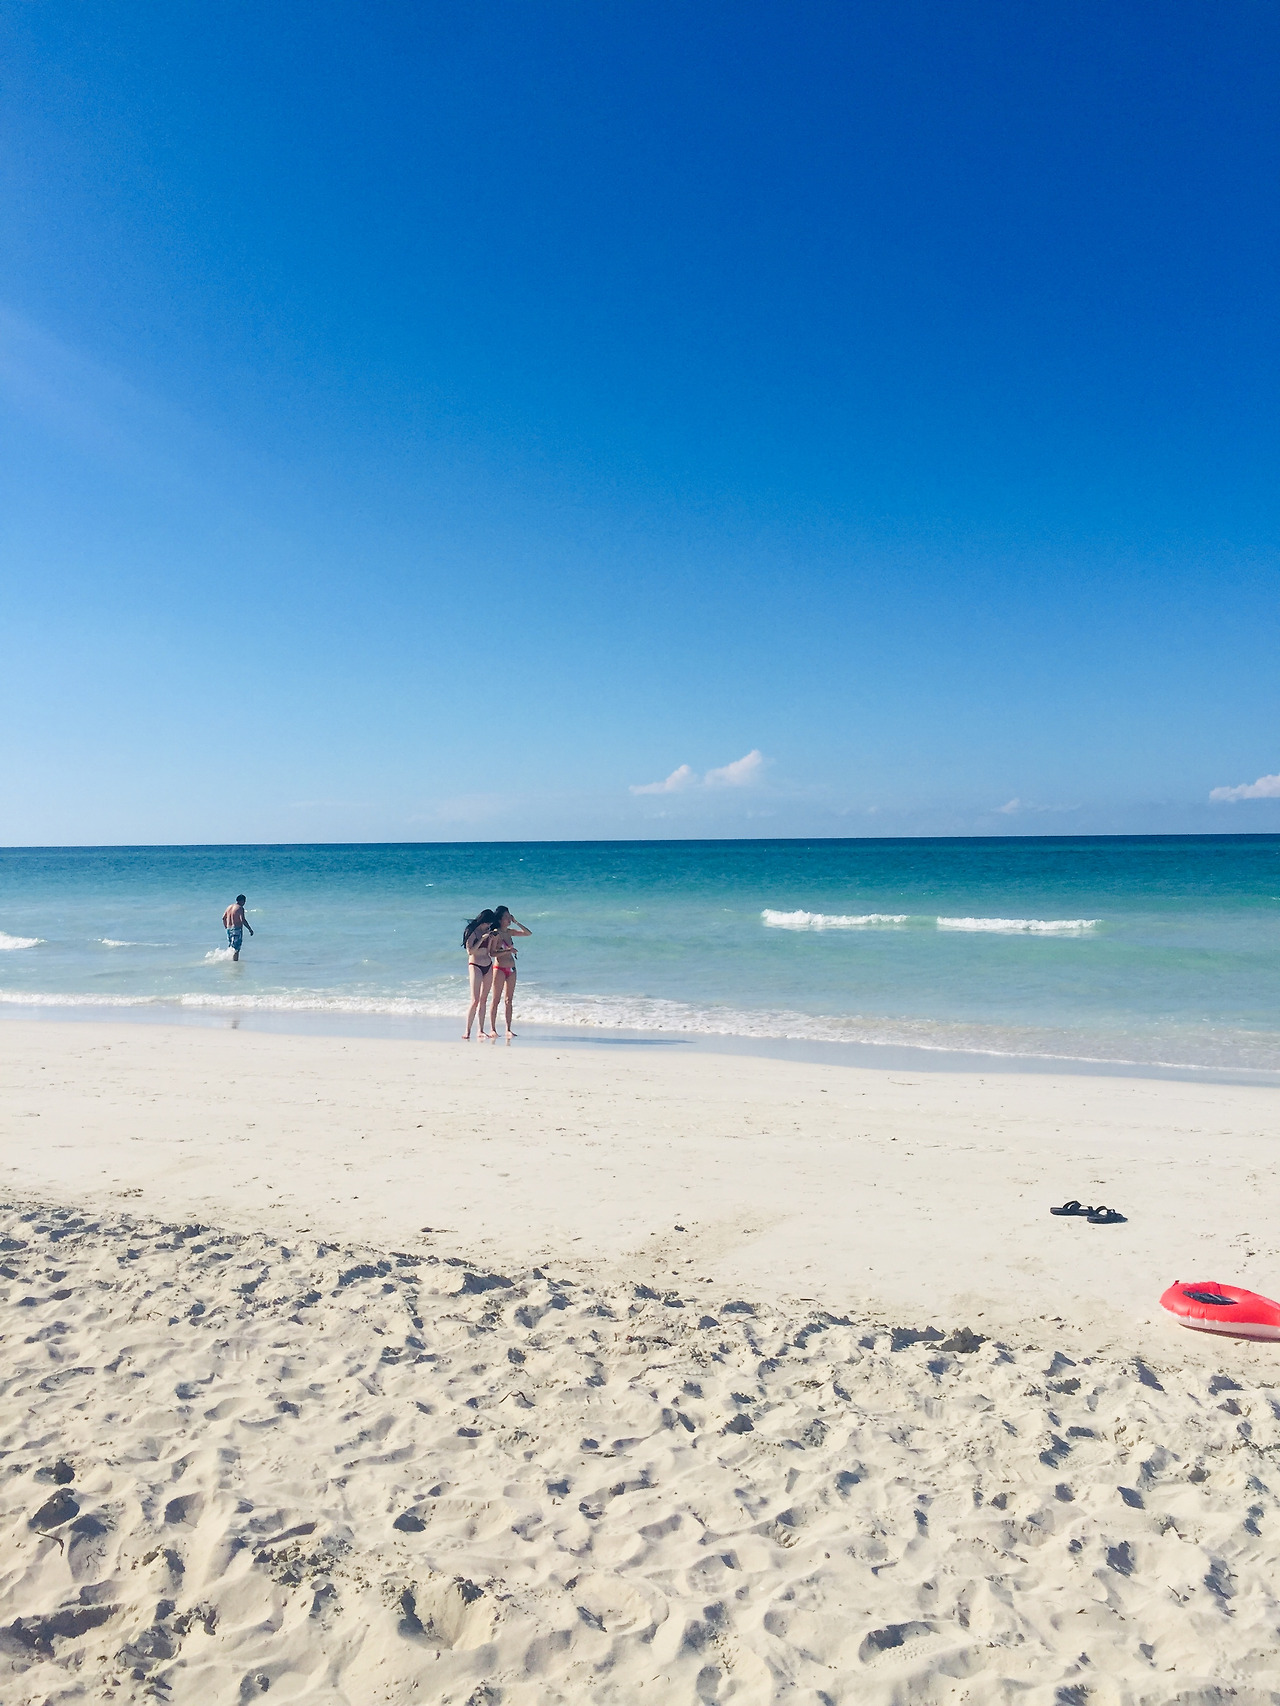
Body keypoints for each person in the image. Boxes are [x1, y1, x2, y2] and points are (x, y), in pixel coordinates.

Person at [487, 906, 531, 1041]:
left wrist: (516, 922)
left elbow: (528, 933)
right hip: (499, 968)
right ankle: (493, 1028)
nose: (508, 918)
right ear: (500, 919)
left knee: (509, 1000)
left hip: (512, 969)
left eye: (509, 916)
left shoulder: (509, 932)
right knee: (496, 999)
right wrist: (508, 951)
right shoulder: (496, 934)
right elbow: (492, 953)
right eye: (506, 916)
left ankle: (508, 1029)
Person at [462, 909, 498, 1040]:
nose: (488, 926)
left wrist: (491, 939)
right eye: (487, 923)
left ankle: (481, 1030)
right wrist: (482, 939)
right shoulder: (472, 931)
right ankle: (467, 1031)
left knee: (484, 1000)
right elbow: (470, 951)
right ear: (482, 921)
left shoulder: (488, 931)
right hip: (475, 964)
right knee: (475, 1000)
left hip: (487, 964)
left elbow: (490, 951)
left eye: (490, 924)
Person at [222, 895, 254, 962]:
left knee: (231, 947)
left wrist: (226, 927)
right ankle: (235, 963)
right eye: (244, 901)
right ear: (242, 901)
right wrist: (250, 929)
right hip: (236, 929)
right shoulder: (240, 908)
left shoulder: (229, 907)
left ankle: (229, 961)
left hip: (229, 929)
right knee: (236, 949)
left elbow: (223, 918)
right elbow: (242, 919)